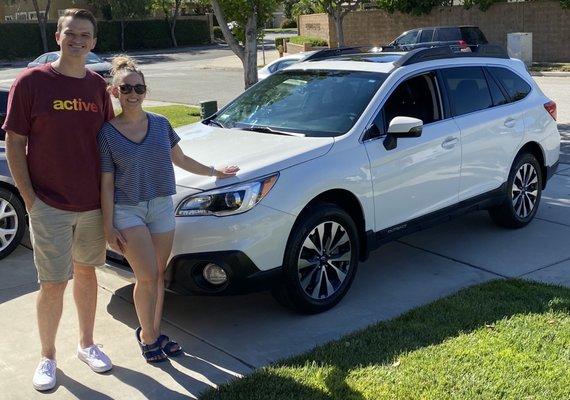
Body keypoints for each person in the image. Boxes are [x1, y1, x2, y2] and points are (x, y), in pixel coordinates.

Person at [98, 55, 239, 363]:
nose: (133, 94)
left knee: (158, 276)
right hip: (128, 211)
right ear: (114, 91)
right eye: (126, 88)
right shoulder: (107, 133)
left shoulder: (161, 125)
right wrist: (108, 226)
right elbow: (106, 183)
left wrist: (215, 172)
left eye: (139, 87)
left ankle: (154, 332)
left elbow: (182, 160)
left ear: (145, 90)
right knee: (146, 275)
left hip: (162, 206)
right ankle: (147, 337)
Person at [3, 9, 114, 391]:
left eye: (85, 35)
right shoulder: (32, 81)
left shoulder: (98, 87)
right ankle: (47, 356)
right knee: (52, 283)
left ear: (94, 42)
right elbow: (15, 141)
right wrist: (30, 199)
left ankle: (86, 344)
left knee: (87, 273)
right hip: (48, 203)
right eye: (71, 33)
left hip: (91, 205)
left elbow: (108, 143)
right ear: (58, 37)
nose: (78, 40)